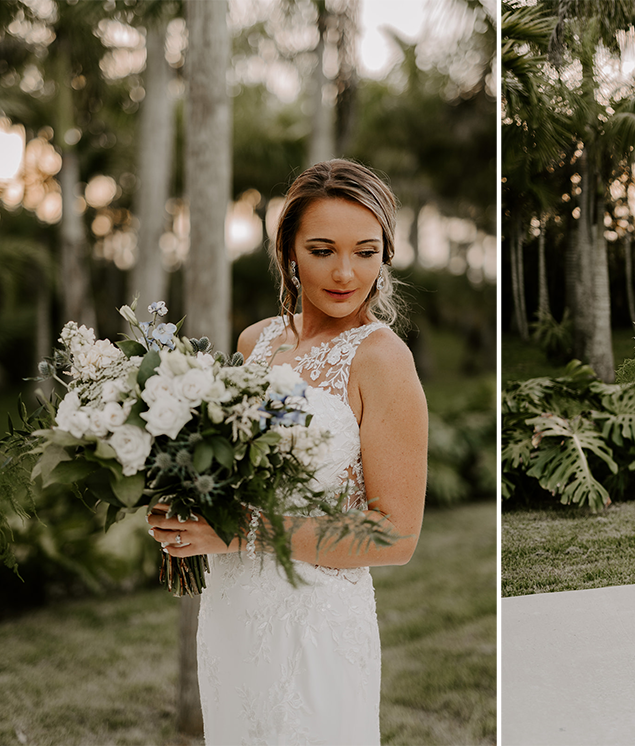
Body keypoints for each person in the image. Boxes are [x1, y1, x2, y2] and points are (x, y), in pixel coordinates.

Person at [147, 159, 428, 742]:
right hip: (232, 612)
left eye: (366, 251)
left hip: (315, 626)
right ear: (289, 252)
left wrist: (241, 531)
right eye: (323, 250)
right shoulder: (258, 340)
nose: (346, 272)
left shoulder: (381, 359)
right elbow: (233, 468)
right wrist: (187, 503)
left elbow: (395, 537)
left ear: (386, 255)